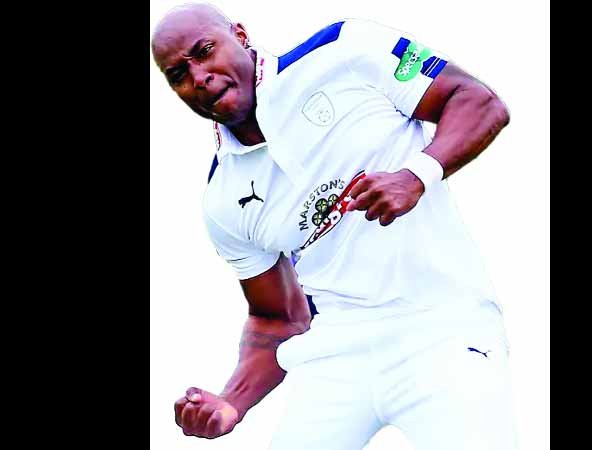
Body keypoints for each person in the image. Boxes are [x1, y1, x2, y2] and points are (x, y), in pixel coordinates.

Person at [152, 3, 516, 449]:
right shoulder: (222, 199)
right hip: (336, 356)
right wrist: (232, 401)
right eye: (178, 74)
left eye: (205, 51)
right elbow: (277, 317)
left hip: (443, 327)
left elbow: (478, 102)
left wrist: (417, 175)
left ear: (240, 35)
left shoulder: (344, 49)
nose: (199, 76)